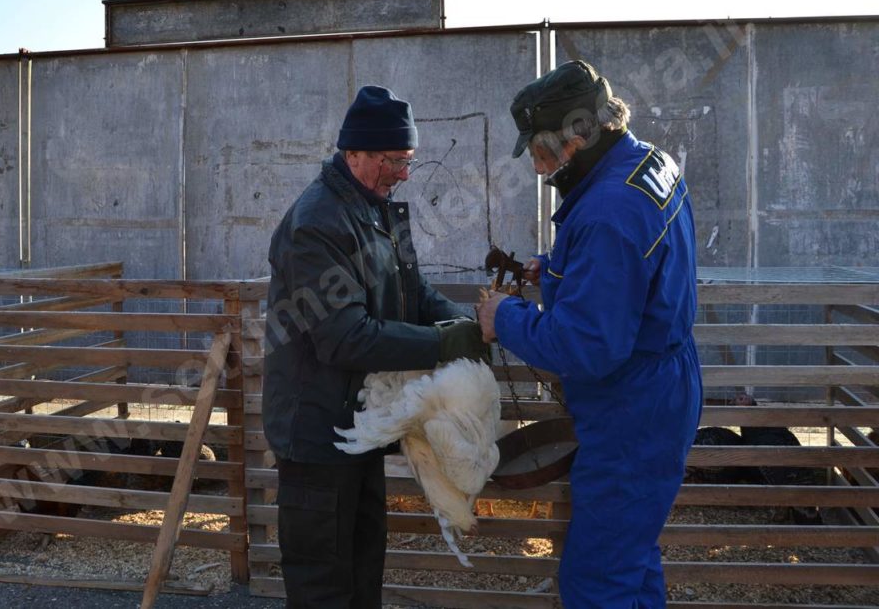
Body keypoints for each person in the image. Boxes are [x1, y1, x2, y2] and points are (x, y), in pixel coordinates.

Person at [476, 60, 703, 608]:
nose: (538, 169)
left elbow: (586, 345)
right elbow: (625, 272)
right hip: (663, 384)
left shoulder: (606, 213)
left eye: (540, 153)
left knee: (597, 581)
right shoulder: (647, 162)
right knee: (633, 556)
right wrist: (557, 268)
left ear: (575, 139)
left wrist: (503, 318)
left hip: (631, 410)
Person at [264, 85, 488, 608]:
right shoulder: (316, 223)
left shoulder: (379, 210)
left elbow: (415, 293)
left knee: (364, 570)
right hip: (317, 433)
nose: (404, 173)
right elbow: (344, 336)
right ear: (355, 153)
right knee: (324, 584)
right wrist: (445, 342)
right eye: (393, 160)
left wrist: (469, 324)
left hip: (359, 424)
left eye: (408, 160)